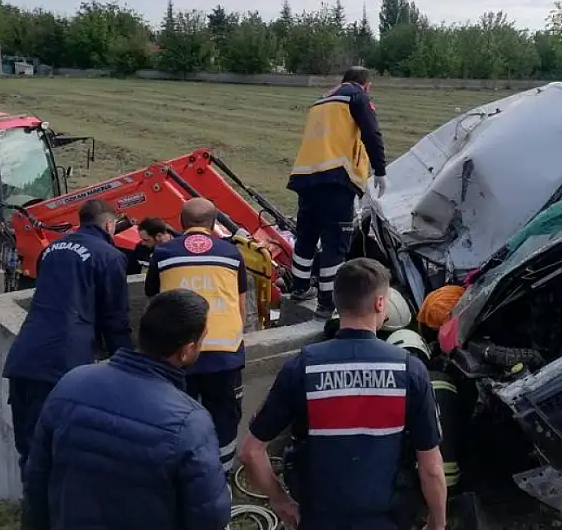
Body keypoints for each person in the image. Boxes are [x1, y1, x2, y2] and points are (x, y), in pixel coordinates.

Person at [239, 258, 447, 530]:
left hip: (318, 519)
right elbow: (431, 468)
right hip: (386, 520)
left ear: (337, 302)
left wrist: (281, 501)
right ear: (380, 304)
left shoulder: (302, 368)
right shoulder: (410, 371)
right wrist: (438, 522)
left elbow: (251, 452)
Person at [22, 289, 232, 530]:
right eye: (202, 340)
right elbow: (209, 517)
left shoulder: (71, 383)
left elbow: (36, 481)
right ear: (186, 350)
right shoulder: (190, 422)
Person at [2, 199, 133, 476]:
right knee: (61, 448)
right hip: (63, 360)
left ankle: (32, 512)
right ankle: (55, 514)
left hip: (25, 356)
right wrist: (127, 362)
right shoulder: (110, 256)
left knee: (29, 446)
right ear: (109, 224)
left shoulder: (51, 249)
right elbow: (115, 318)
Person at [145, 198, 248, 473]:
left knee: (176, 419)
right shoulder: (232, 253)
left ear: (181, 223)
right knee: (224, 420)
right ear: (214, 224)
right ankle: (221, 478)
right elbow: (241, 305)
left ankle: (180, 477)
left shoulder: (164, 253)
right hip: (225, 356)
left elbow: (155, 299)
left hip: (177, 354)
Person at [286, 66, 388, 322]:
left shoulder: (322, 100)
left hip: (305, 176)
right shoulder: (357, 97)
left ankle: (298, 288)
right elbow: (371, 133)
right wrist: (380, 169)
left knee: (306, 236)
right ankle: (326, 303)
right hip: (335, 178)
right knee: (335, 241)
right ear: (366, 85)